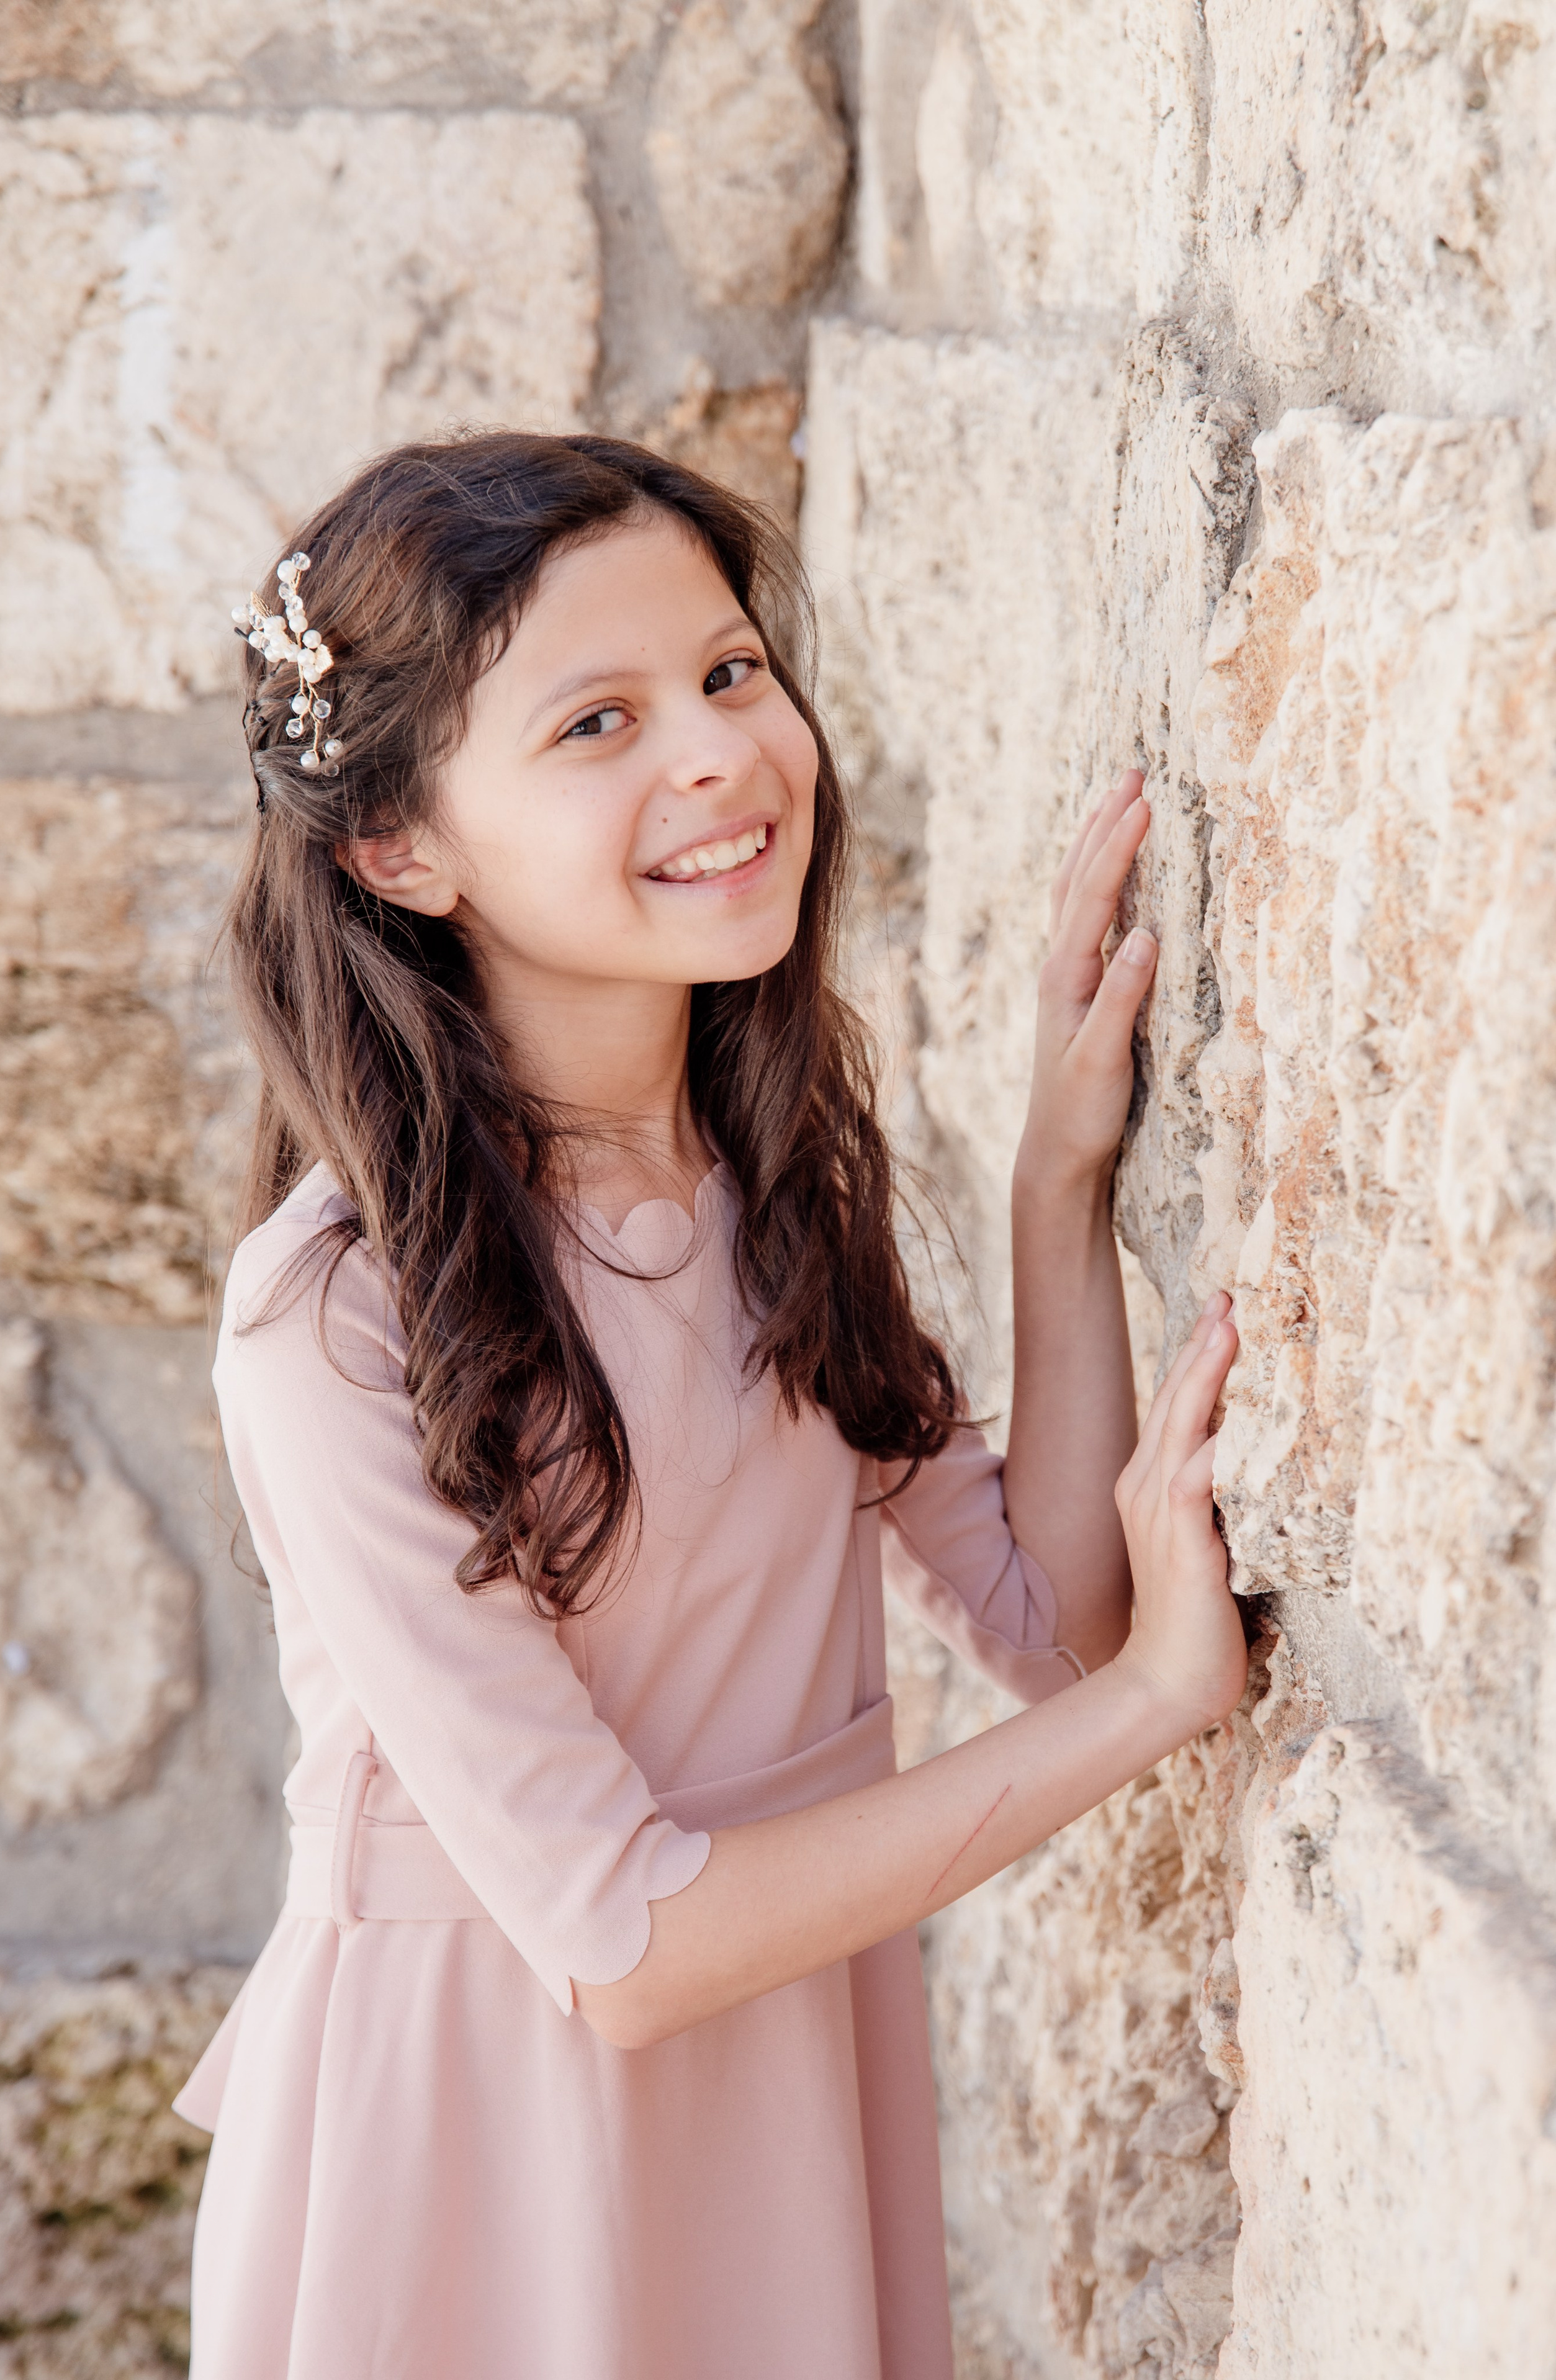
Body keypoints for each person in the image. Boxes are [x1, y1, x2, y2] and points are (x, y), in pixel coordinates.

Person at [174, 431, 1246, 2380]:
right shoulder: (334, 1320)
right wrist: (1156, 1708)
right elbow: (625, 1939)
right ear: (399, 848)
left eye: (731, 671)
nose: (720, 755)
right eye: (598, 721)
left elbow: (1059, 1616)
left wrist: (1059, 1186)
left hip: (781, 2082)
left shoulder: (774, 1189)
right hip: (480, 2147)